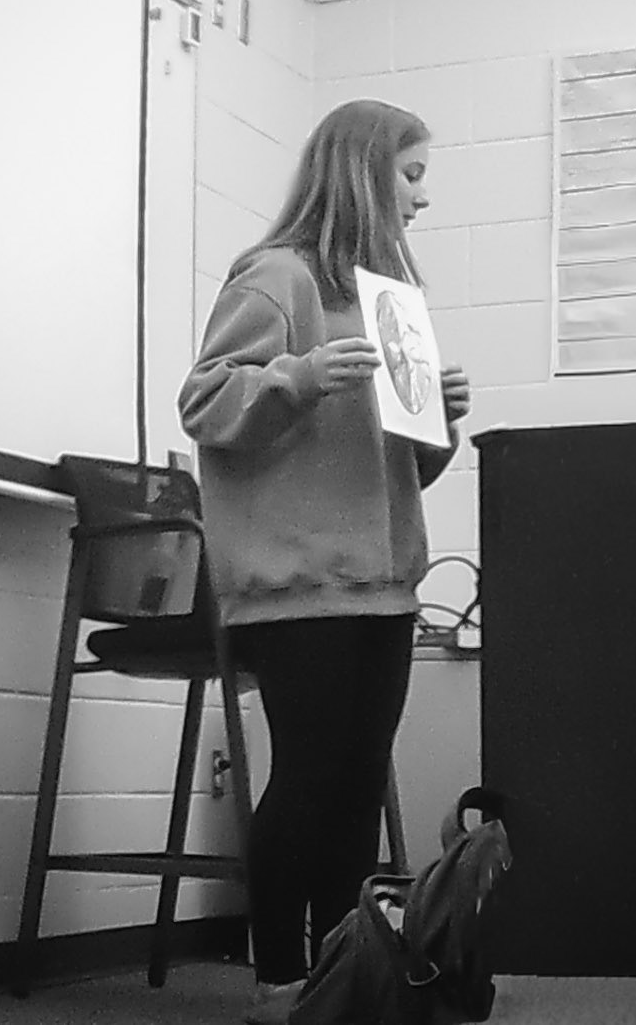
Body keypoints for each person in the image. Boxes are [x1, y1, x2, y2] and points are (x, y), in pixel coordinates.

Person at [177, 99, 471, 1025]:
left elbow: (401, 470)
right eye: (411, 174)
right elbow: (205, 402)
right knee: (307, 781)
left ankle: (344, 971)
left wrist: (439, 419)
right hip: (299, 584)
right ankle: (276, 979)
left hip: (382, 581)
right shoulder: (278, 277)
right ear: (363, 172)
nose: (422, 196)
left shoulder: (390, 303)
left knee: (356, 787)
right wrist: (297, 377)